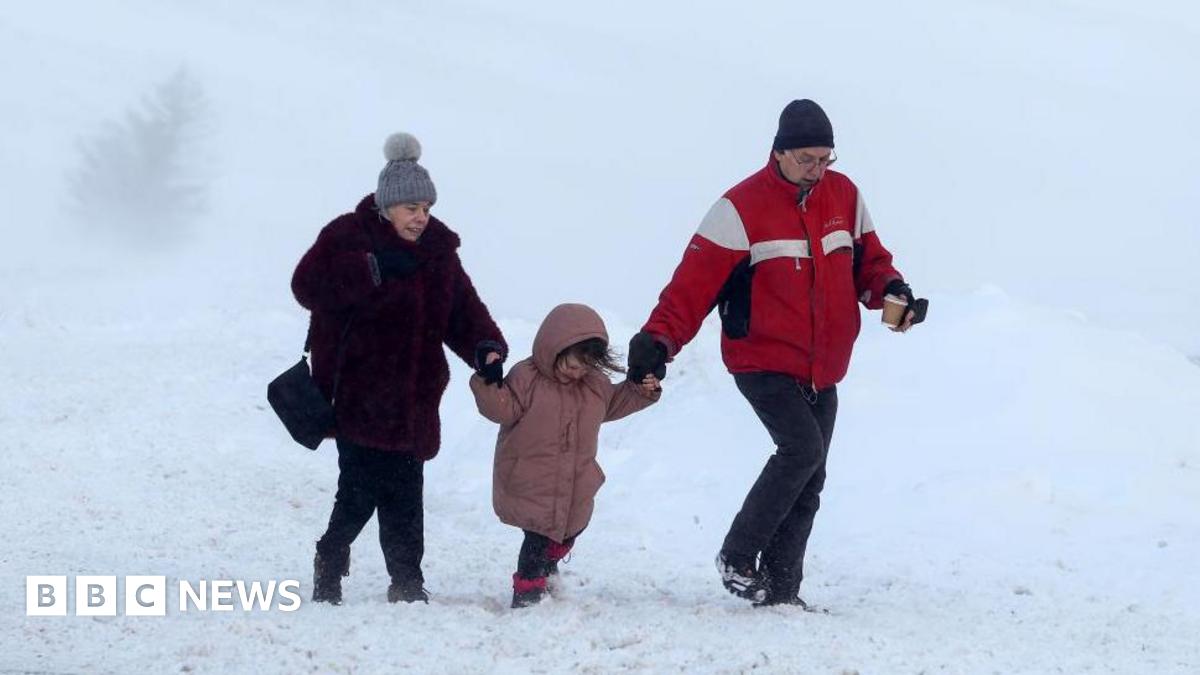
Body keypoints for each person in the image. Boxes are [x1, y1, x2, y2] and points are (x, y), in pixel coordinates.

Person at [626, 99, 925, 607]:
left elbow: (870, 263)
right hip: (761, 359)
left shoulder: (844, 195)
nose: (817, 169)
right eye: (807, 158)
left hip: (823, 365)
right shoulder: (740, 208)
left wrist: (891, 290)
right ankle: (738, 556)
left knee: (813, 476)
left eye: (825, 158)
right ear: (780, 152)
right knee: (801, 451)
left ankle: (781, 590)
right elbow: (690, 289)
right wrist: (658, 341)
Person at [291, 132, 508, 605]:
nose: (420, 217)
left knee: (407, 492)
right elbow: (306, 286)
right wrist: (368, 269)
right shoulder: (346, 236)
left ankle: (407, 580)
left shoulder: (438, 255)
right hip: (357, 392)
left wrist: (486, 347)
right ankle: (331, 553)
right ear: (387, 205)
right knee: (359, 489)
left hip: (413, 395)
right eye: (410, 207)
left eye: (426, 207)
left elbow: (463, 311)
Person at [470, 303, 661, 608]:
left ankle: (548, 568)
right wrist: (487, 380)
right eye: (572, 366)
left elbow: (615, 404)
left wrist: (640, 389)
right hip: (531, 479)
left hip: (575, 482)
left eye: (585, 367)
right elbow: (501, 409)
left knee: (569, 530)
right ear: (553, 349)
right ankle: (528, 595)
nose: (578, 373)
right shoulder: (526, 377)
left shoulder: (594, 385)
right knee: (537, 539)